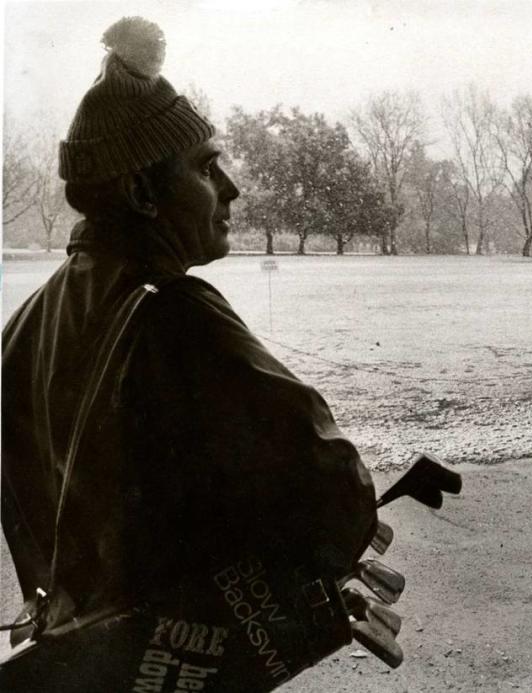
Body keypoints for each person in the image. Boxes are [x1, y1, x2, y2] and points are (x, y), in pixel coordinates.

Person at [1, 17, 377, 644]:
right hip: (174, 656)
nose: (231, 188)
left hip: (78, 653)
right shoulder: (175, 310)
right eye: (206, 168)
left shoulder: (23, 326)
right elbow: (333, 493)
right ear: (143, 192)